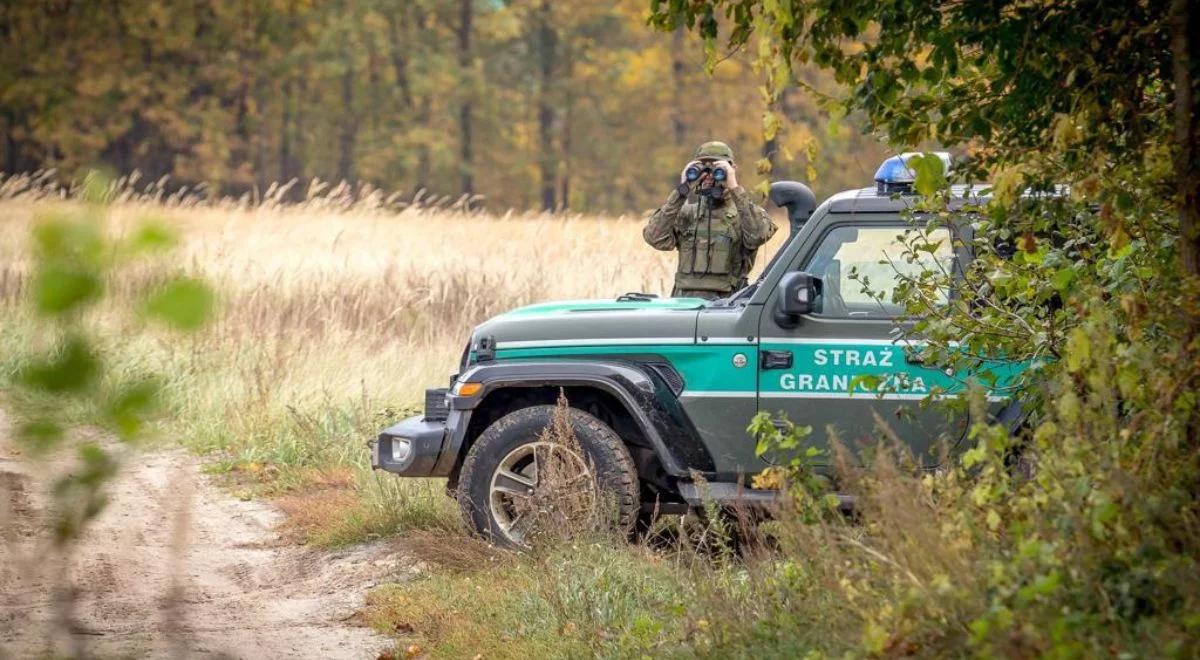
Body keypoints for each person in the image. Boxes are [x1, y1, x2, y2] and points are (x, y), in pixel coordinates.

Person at [643, 141, 777, 299]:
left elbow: (758, 235)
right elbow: (654, 237)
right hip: (684, 306)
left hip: (727, 305)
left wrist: (734, 187)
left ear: (731, 170)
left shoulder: (746, 214)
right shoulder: (687, 214)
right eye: (703, 169)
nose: (708, 176)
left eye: (716, 169)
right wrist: (682, 190)